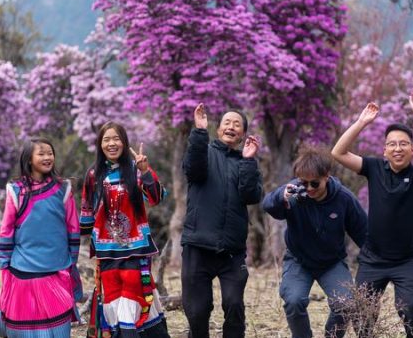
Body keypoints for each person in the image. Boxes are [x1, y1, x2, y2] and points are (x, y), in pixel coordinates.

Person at [331, 91, 413, 338]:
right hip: (372, 259)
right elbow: (338, 153)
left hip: (407, 260)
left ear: (412, 149)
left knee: (411, 308)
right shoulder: (374, 168)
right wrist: (362, 122)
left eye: (403, 144)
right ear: (385, 150)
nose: (397, 148)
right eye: (391, 144)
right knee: (363, 317)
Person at [262, 148, 368, 338]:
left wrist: (377, 261)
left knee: (345, 304)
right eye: (304, 182)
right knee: (294, 301)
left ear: (326, 176)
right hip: (298, 260)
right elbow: (269, 206)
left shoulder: (343, 198)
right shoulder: (293, 194)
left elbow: (363, 233)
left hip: (331, 262)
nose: (309, 188)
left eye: (315, 183)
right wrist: (281, 196)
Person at [80, 121, 169, 338]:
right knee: (112, 303)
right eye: (106, 139)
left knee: (133, 301)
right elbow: (87, 212)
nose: (112, 143)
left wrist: (145, 171)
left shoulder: (136, 171)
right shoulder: (94, 175)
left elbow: (156, 198)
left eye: (116, 138)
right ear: (100, 145)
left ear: (124, 142)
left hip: (135, 250)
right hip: (107, 252)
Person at [181, 103, 263, 338]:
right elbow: (192, 170)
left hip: (232, 251)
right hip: (198, 245)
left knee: (234, 305)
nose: (231, 126)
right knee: (197, 311)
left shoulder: (245, 163)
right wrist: (198, 132)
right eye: (227, 122)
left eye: (237, 124)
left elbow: (252, 195)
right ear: (218, 130)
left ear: (243, 134)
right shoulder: (204, 152)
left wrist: (248, 161)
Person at [0, 137, 82, 338]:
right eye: (41, 153)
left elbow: (73, 227)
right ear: (29, 159)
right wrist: (4, 264)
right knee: (24, 327)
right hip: (22, 269)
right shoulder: (16, 190)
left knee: (59, 326)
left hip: (57, 269)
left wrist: (71, 261)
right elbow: (6, 230)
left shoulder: (63, 188)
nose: (48, 157)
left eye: (50, 153)